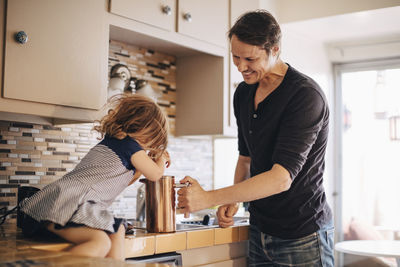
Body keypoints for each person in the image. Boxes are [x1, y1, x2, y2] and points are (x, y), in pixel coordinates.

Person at [177, 10, 334, 267]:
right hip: (259, 230)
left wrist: (209, 197)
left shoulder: (305, 96)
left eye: (250, 58)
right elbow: (246, 158)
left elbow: (281, 178)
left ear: (275, 50)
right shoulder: (243, 93)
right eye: (235, 57)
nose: (240, 67)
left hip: (303, 234)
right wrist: (233, 199)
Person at [19, 94, 170, 260]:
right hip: (70, 201)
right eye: (151, 140)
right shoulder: (129, 145)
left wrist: (146, 165)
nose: (149, 148)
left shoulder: (117, 142)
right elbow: (155, 175)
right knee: (101, 243)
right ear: (143, 129)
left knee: (117, 230)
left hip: (73, 199)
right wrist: (161, 159)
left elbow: (120, 182)